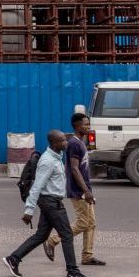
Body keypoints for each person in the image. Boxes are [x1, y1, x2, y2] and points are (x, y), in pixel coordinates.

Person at [3, 129, 92, 277]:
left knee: (41, 236)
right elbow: (36, 186)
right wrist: (29, 210)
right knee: (67, 235)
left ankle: (13, 259)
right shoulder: (48, 161)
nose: (66, 142)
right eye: (63, 140)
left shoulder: (57, 156)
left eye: (66, 139)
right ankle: (72, 272)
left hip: (52, 201)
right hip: (51, 203)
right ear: (54, 143)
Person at [44, 113, 105, 266]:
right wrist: (86, 191)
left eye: (88, 123)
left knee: (91, 223)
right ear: (78, 126)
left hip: (84, 189)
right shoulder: (74, 144)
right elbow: (74, 169)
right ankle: (52, 241)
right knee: (84, 222)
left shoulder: (78, 141)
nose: (88, 127)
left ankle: (87, 256)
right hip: (78, 191)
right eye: (85, 124)